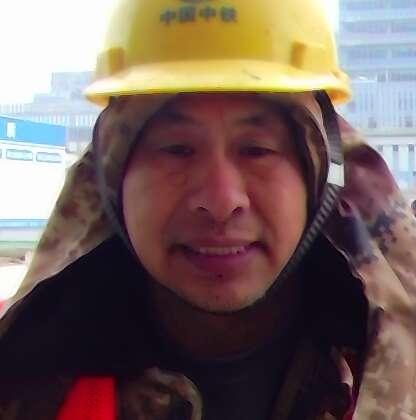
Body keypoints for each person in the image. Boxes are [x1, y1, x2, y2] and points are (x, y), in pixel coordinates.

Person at [1, 0, 416, 419]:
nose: (220, 202)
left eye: (257, 150)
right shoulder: (26, 385)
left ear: (318, 178)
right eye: (176, 149)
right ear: (113, 178)